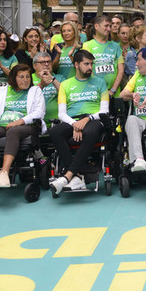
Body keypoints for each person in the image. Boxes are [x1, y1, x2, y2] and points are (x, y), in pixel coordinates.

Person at [49, 49, 111, 194]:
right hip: (73, 120)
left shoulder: (100, 83)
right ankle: (77, 176)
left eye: (91, 64)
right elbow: (61, 114)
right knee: (55, 131)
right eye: (86, 64)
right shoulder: (65, 85)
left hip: (94, 119)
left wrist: (86, 119)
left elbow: (104, 111)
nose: (90, 67)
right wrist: (75, 124)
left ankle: (69, 175)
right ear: (76, 65)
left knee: (90, 131)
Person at [0, 63, 45, 188]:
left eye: (27, 77)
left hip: (27, 126)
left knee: (13, 131)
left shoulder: (35, 91)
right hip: (3, 124)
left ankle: (4, 172)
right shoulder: (3, 91)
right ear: (14, 78)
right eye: (21, 77)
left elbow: (39, 113)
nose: (25, 80)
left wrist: (19, 122)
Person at [82, 14, 125, 96]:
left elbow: (121, 69)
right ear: (96, 26)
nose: (109, 29)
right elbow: (87, 68)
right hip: (96, 92)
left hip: (114, 93)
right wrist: (99, 89)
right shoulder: (87, 45)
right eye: (106, 26)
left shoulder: (115, 46)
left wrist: (113, 90)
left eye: (110, 26)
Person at [31, 51, 63, 125]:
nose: (46, 64)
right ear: (34, 66)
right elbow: (28, 97)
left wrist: (52, 78)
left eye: (49, 61)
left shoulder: (59, 78)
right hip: (34, 123)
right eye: (42, 62)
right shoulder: (29, 78)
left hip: (57, 122)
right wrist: (41, 84)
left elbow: (65, 93)